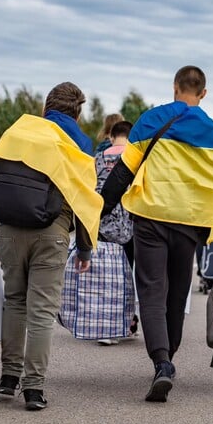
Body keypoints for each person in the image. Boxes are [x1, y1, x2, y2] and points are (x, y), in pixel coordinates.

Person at [100, 65, 213, 403]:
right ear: (203, 93)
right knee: (177, 294)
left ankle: (162, 362)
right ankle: (168, 361)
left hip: (151, 217)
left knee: (151, 290)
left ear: (175, 87)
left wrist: (98, 213)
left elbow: (124, 171)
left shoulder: (152, 119)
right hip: (188, 222)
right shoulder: (211, 131)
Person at [0, 82, 102, 410]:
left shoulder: (17, 131)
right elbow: (85, 197)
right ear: (77, 112)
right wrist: (85, 247)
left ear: (46, 107)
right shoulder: (78, 142)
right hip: (52, 229)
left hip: (9, 230)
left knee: (14, 301)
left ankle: (8, 378)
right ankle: (33, 388)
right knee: (42, 310)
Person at [94, 120, 137, 346]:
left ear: (111, 137)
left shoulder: (98, 159)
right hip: (130, 226)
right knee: (126, 276)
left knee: (104, 277)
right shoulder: (135, 158)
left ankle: (104, 326)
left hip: (102, 224)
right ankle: (126, 322)